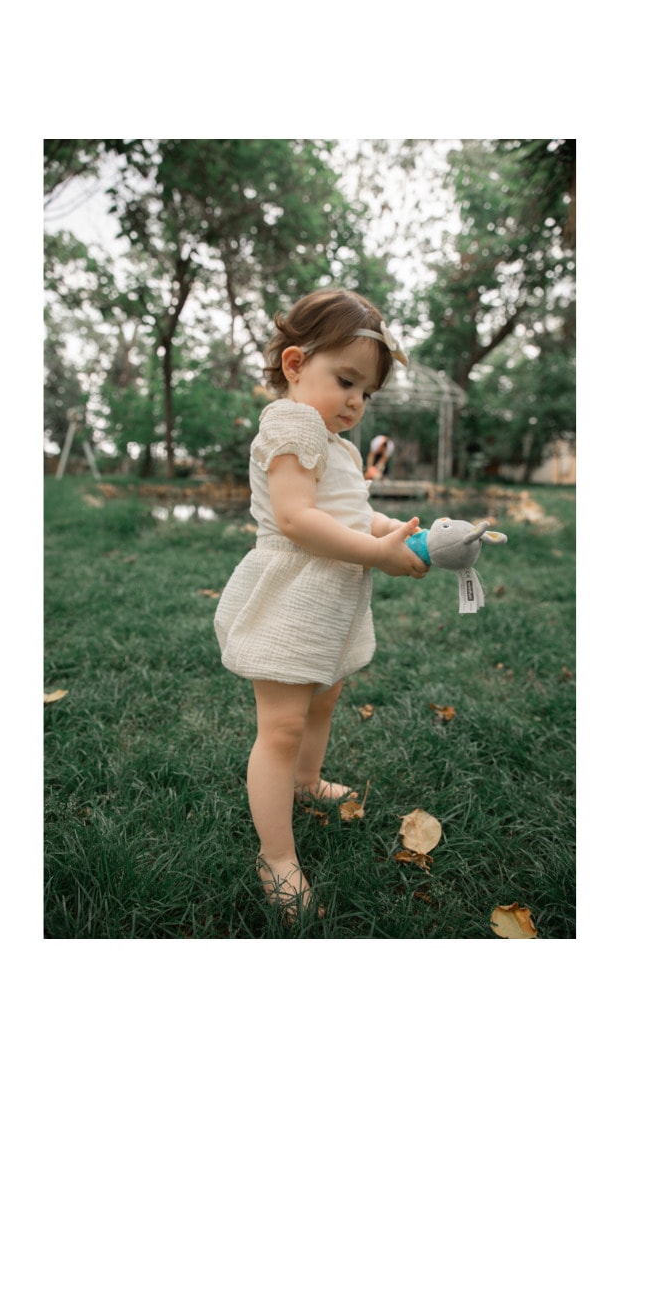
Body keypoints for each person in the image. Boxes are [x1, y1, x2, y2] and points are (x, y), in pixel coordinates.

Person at [214, 289, 429, 922]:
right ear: (294, 364)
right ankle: (276, 857)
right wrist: (377, 555)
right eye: (346, 380)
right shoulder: (291, 424)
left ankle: (306, 782)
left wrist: (396, 536)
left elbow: (351, 515)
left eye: (367, 393)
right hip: (291, 597)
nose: (357, 401)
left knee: (325, 695)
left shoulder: (338, 445)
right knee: (281, 726)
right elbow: (297, 518)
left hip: (327, 601)